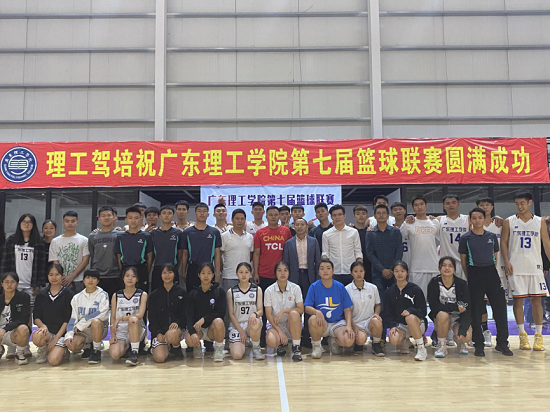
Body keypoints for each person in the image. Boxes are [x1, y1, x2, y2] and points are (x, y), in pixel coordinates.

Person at [500, 191, 550, 351]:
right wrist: (506, 261)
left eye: (522, 203)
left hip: (535, 267)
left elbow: (546, 243)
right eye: (517, 203)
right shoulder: (509, 221)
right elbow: (503, 243)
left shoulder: (539, 222)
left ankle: (538, 335)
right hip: (516, 267)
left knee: (537, 301)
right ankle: (522, 335)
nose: (519, 206)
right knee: (518, 301)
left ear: (529, 202)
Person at [460, 207, 513, 356]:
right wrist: (470, 276)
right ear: (470, 220)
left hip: (491, 273)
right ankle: (479, 344)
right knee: (476, 311)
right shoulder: (465, 238)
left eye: (480, 218)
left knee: (500, 309)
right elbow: (463, 260)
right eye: (474, 218)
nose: (477, 221)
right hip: (474, 274)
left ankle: (502, 343)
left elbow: (495, 257)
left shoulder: (491, 236)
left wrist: (489, 272)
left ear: (484, 219)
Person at [253, 205, 292, 345]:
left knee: (282, 305)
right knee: (265, 307)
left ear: (280, 216)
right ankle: (263, 336)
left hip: (281, 276)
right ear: (266, 216)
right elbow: (256, 253)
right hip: (264, 273)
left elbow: (289, 251)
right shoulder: (260, 233)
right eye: (271, 215)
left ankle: (285, 335)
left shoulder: (286, 231)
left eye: (276, 214)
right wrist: (255, 272)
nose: (274, 217)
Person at [305, 259, 355, 359]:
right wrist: (316, 311)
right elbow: (307, 307)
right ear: (319, 272)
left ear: (333, 271)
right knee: (313, 319)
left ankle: (334, 341)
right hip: (322, 323)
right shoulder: (314, 287)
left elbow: (347, 309)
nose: (325, 271)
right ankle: (316, 347)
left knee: (348, 340)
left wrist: (349, 326)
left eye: (328, 268)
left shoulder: (340, 287)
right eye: (322, 268)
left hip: (338, 323)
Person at [283, 217, 320, 347]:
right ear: (293, 227)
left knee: (309, 306)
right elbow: (286, 263)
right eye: (297, 225)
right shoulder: (289, 243)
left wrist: (317, 279)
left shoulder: (313, 241)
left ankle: (307, 336)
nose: (299, 227)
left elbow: (317, 262)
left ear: (306, 227)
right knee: (295, 307)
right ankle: (296, 336)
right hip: (294, 277)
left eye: (302, 225)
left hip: (309, 277)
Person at [427, 257, 473, 358]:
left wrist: (463, 329)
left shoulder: (462, 284)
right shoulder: (434, 283)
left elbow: (467, 307)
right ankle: (442, 345)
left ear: (454, 269)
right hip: (442, 317)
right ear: (439, 268)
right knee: (442, 314)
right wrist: (455, 307)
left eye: (450, 266)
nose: (447, 268)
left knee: (466, 337)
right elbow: (434, 306)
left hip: (458, 317)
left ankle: (460, 342)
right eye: (444, 265)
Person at [384, 261, 428, 361]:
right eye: (396, 271)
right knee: (393, 339)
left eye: (402, 271)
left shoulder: (415, 289)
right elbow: (387, 312)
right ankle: (404, 340)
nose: (399, 273)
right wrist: (392, 326)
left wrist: (410, 311)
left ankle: (421, 348)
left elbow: (423, 311)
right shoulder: (389, 292)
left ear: (407, 272)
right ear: (393, 273)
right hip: (401, 326)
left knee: (410, 317)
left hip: (417, 323)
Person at [32, 264, 74, 365]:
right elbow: (36, 317)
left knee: (53, 361)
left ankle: (63, 349)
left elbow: (67, 320)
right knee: (37, 336)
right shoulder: (41, 295)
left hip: (61, 334)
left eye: (57, 274)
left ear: (62, 276)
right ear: (47, 276)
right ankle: (43, 349)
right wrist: (43, 326)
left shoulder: (68, 294)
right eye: (51, 275)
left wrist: (55, 339)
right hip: (47, 333)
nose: (54, 277)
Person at [477, 197, 506, 346]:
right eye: (482, 205)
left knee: (499, 306)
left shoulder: (500, 224)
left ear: (492, 207)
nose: (485, 207)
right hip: (481, 271)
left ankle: (502, 338)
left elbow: (506, 244)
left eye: (487, 204)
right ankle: (485, 331)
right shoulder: (474, 225)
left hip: (499, 270)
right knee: (481, 305)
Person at [64, 269, 109, 364]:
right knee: (72, 345)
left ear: (98, 281)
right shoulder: (77, 298)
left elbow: (101, 313)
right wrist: (69, 335)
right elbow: (73, 318)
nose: (90, 280)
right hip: (83, 332)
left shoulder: (103, 295)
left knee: (95, 321)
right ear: (83, 280)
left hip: (99, 328)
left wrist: (81, 324)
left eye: (94, 278)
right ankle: (87, 346)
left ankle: (96, 350)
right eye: (88, 277)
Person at [1, 213, 47, 304]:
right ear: (19, 224)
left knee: (29, 308)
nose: (26, 224)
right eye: (24, 222)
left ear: (33, 224)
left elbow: (42, 265)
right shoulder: (11, 240)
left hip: (31, 284)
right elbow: (4, 262)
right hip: (13, 283)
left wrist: (38, 283)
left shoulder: (39, 241)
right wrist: (3, 280)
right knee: (12, 307)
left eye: (29, 222)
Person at [185, 263, 226, 362]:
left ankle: (219, 349)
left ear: (213, 275)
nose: (206, 276)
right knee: (189, 339)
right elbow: (189, 316)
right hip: (198, 329)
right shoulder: (193, 294)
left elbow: (221, 312)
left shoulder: (219, 292)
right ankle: (197, 346)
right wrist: (192, 332)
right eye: (203, 273)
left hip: (211, 330)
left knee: (219, 321)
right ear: (199, 275)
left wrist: (204, 319)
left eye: (209, 273)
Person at [400, 196, 439, 299]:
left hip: (434, 266)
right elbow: (399, 237)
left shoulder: (435, 222)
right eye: (416, 205)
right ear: (413, 208)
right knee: (418, 298)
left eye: (421, 204)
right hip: (416, 267)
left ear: (426, 206)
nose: (419, 207)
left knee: (434, 298)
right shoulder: (408, 223)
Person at [265, 261, 304, 361]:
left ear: (289, 272)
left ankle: (296, 347)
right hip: (276, 325)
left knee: (294, 313)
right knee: (271, 341)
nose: (282, 273)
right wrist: (280, 332)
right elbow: (268, 315)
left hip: (291, 325)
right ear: (275, 273)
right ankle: (281, 344)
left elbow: (301, 309)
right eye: (279, 270)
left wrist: (284, 311)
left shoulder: (296, 288)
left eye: (285, 270)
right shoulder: (269, 290)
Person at [109, 267, 148, 366]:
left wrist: (121, 318)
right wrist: (113, 335)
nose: (130, 278)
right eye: (127, 276)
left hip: (136, 327)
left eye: (133, 276)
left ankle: (134, 353)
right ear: (123, 278)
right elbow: (113, 317)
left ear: (137, 279)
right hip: (121, 330)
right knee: (114, 354)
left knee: (133, 319)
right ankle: (126, 346)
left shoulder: (142, 294)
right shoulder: (116, 295)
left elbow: (140, 315)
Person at [148, 264, 186, 363]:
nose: (167, 275)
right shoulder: (154, 295)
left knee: (171, 334)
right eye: (164, 273)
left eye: (170, 272)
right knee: (160, 358)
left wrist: (178, 323)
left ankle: (176, 347)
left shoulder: (181, 292)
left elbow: (185, 313)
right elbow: (152, 318)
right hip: (160, 332)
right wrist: (157, 333)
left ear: (174, 274)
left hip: (175, 331)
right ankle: (165, 347)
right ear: (160, 275)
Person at [226, 262, 265, 360]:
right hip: (237, 325)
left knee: (256, 321)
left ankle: (256, 348)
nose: (244, 275)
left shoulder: (257, 289)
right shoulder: (231, 292)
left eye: (246, 272)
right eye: (241, 272)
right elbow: (231, 314)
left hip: (250, 323)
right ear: (236, 274)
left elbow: (261, 311)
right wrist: (241, 331)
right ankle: (237, 343)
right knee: (237, 355)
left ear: (250, 273)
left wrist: (255, 314)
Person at [345, 262, 384, 357]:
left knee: (377, 321)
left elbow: (378, 305)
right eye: (355, 271)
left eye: (361, 271)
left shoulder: (373, 288)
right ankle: (358, 344)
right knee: (361, 339)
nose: (359, 274)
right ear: (351, 273)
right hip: (355, 323)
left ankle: (376, 344)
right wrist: (353, 325)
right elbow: (346, 311)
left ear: (365, 272)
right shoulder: (347, 289)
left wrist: (376, 314)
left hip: (369, 322)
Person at [181, 202, 222, 290]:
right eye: (199, 211)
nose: (202, 213)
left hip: (209, 268)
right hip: (192, 268)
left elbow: (217, 254)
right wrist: (183, 271)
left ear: (208, 214)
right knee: (192, 295)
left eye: (204, 211)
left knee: (209, 295)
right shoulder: (187, 232)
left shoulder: (214, 232)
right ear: (195, 214)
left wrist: (217, 273)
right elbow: (185, 253)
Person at [49, 211, 90, 293]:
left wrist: (72, 276)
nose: (70, 224)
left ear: (77, 222)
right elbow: (55, 261)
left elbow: (85, 260)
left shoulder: (84, 240)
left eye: (73, 221)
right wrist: (63, 277)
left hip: (79, 280)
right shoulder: (55, 241)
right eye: (67, 221)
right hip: (61, 280)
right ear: (63, 222)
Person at [322, 205, 363, 286]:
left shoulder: (354, 232)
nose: (337, 217)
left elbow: (358, 251)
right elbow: (325, 254)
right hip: (334, 272)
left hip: (351, 272)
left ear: (344, 216)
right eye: (334, 215)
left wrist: (358, 269)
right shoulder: (326, 234)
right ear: (331, 217)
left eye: (340, 214)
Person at [114, 206, 154, 291]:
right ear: (126, 219)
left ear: (140, 219)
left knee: (142, 294)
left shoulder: (146, 236)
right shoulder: (120, 237)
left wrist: (146, 272)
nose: (133, 220)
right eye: (130, 218)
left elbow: (150, 257)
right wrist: (123, 270)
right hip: (125, 268)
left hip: (141, 269)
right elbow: (119, 257)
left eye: (136, 218)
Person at [88, 206, 123, 300]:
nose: (106, 218)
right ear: (99, 219)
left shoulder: (120, 235)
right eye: (103, 216)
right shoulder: (93, 236)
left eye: (109, 215)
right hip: (97, 276)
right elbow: (92, 254)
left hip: (115, 275)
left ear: (114, 217)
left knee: (114, 304)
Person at [0, 272, 31, 365]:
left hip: (13, 331)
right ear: (2, 284)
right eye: (6, 282)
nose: (9, 285)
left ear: (17, 284)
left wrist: (5, 329)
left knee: (24, 328)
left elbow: (24, 319)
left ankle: (20, 353)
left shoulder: (24, 297)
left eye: (12, 282)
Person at [150, 206, 183, 292]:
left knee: (173, 294)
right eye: (164, 213)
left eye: (169, 213)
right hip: (158, 268)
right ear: (159, 217)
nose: (167, 215)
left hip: (172, 268)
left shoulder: (178, 233)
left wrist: (176, 268)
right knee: (156, 294)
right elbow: (150, 255)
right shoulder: (153, 234)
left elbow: (180, 253)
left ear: (173, 217)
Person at [436, 195, 470, 281]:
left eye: (454, 202)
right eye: (447, 203)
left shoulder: (467, 219)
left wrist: (496, 218)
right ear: (444, 206)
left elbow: (483, 221)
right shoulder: (439, 220)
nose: (451, 205)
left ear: (458, 204)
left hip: (463, 262)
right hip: (446, 263)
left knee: (464, 287)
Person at [220, 209, 254, 293]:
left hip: (246, 276)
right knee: (229, 300)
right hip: (229, 276)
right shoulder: (224, 236)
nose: (240, 221)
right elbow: (219, 255)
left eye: (242, 219)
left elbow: (251, 255)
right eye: (237, 218)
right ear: (232, 220)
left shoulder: (250, 237)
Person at [352, 204, 373, 284]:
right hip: (354, 265)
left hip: (369, 265)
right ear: (354, 216)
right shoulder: (350, 231)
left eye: (363, 214)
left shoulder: (371, 231)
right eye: (358, 214)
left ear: (367, 216)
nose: (361, 216)